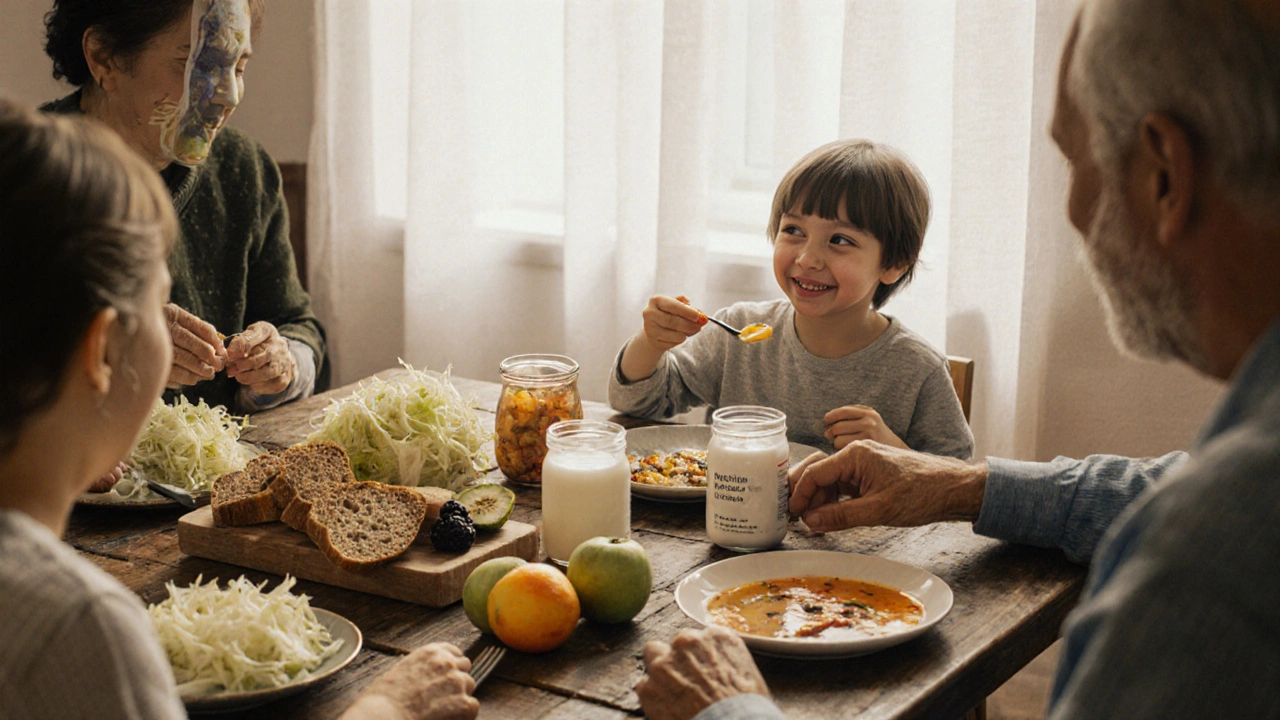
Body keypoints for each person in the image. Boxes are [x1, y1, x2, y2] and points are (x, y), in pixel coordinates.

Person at [635, 0, 1280, 717]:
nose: (1070, 210)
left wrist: (732, 710)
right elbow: (1154, 486)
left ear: (1165, 174)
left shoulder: (1213, 559)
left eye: (1074, 160)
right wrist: (954, 484)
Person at [0, 101, 477, 720]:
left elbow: (297, 319)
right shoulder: (79, 627)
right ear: (99, 350)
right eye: (159, 303)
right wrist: (387, 709)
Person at [41, 0, 327, 415]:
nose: (228, 95)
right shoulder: (27, 172)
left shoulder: (243, 169)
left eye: (239, 67)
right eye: (196, 64)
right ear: (104, 58)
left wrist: (282, 366)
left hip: (218, 468)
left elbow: (298, 323)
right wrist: (114, 351)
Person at [609, 140, 974, 459]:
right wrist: (651, 342)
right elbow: (635, 402)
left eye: (840, 240)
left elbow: (953, 486)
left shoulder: (917, 370)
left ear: (893, 264)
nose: (807, 259)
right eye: (794, 231)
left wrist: (894, 452)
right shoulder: (738, 333)